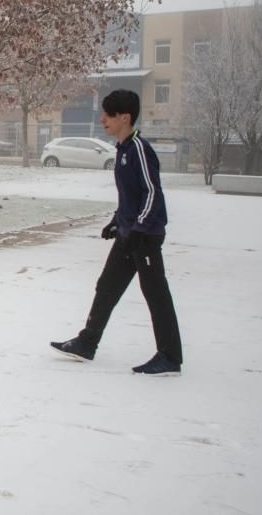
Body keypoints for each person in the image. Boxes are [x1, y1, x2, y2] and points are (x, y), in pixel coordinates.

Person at [50, 89, 183, 376]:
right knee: (107, 286)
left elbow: (151, 194)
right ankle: (87, 343)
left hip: (144, 237)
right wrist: (116, 220)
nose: (102, 119)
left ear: (125, 117)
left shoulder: (139, 149)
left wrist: (139, 229)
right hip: (129, 233)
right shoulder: (123, 149)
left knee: (156, 294)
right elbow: (131, 197)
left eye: (108, 115)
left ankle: (170, 357)